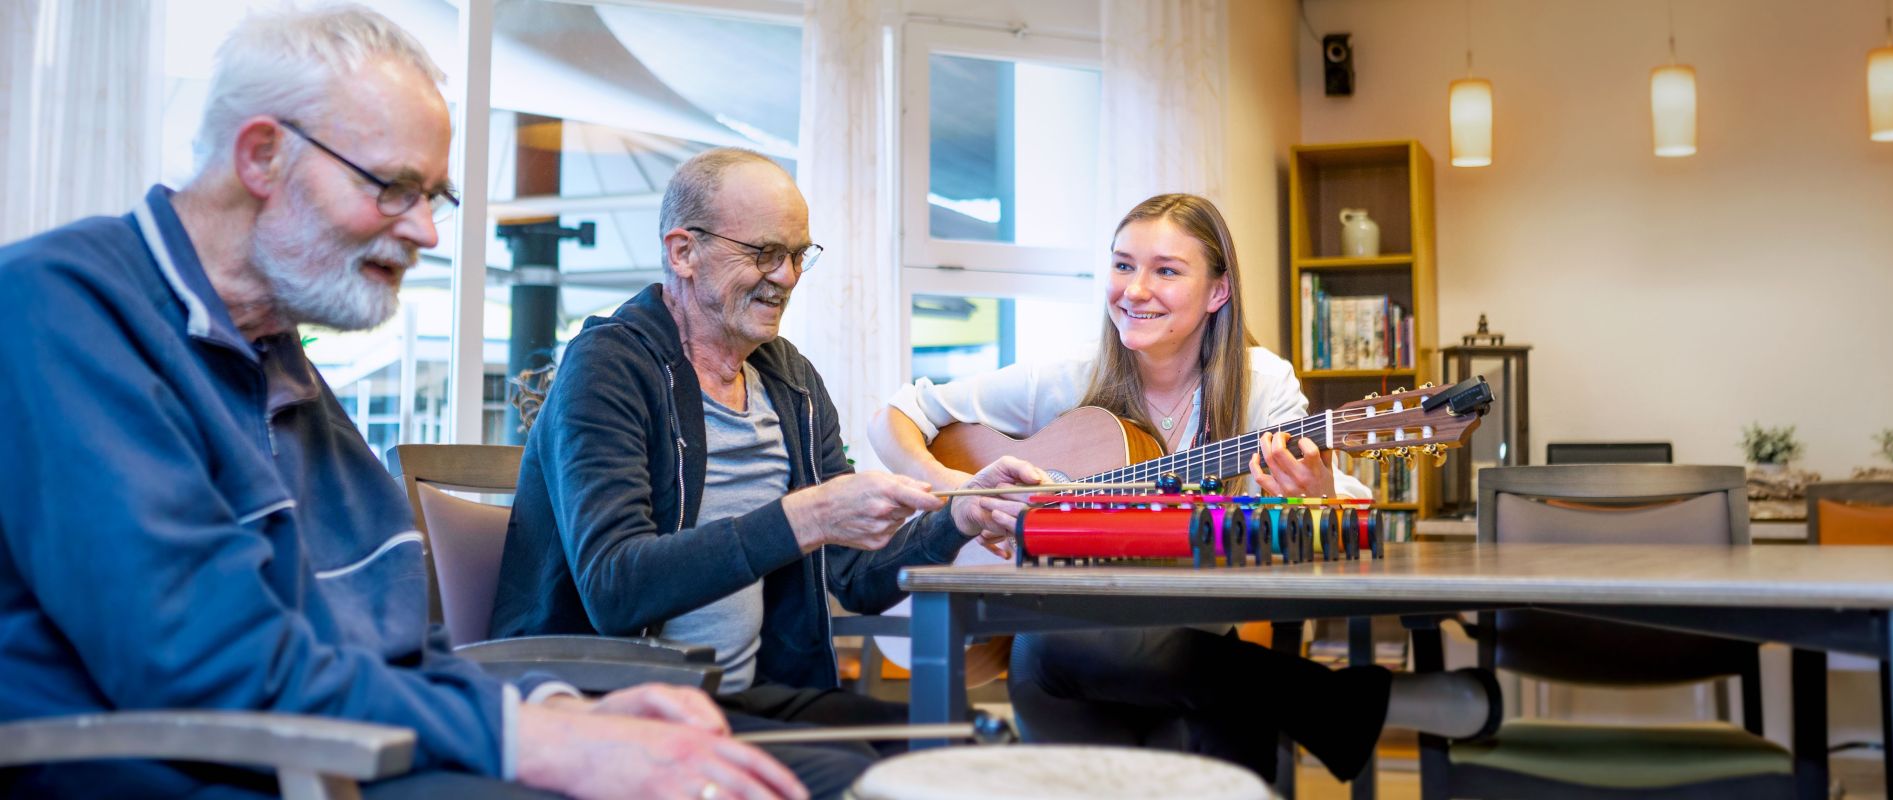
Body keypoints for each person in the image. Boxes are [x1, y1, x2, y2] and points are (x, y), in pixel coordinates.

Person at [0, 6, 806, 799]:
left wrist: (546, 702)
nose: (424, 230)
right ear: (262, 156)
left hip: (350, 753)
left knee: (798, 775)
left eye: (434, 197)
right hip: (227, 769)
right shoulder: (58, 309)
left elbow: (395, 649)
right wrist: (533, 734)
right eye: (394, 188)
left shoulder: (272, 358)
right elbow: (201, 656)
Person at [868, 193, 1499, 784]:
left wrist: (1316, 491)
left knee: (1210, 714)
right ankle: (1346, 701)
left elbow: (1349, 511)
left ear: (1218, 291)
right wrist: (960, 489)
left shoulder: (1258, 386)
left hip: (1197, 650)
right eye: (1122, 265)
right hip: (1059, 652)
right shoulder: (1069, 379)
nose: (1135, 289)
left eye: (1166, 271)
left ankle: (1335, 702)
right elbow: (895, 415)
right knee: (1049, 649)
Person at [489, 147, 1040, 789]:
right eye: (763, 253)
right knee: (854, 775)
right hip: (615, 699)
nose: (786, 276)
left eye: (800, 254)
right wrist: (802, 518)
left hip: (746, 693)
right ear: (683, 251)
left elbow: (858, 579)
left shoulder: (791, 381)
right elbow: (616, 590)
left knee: (959, 754)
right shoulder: (608, 369)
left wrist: (959, 515)